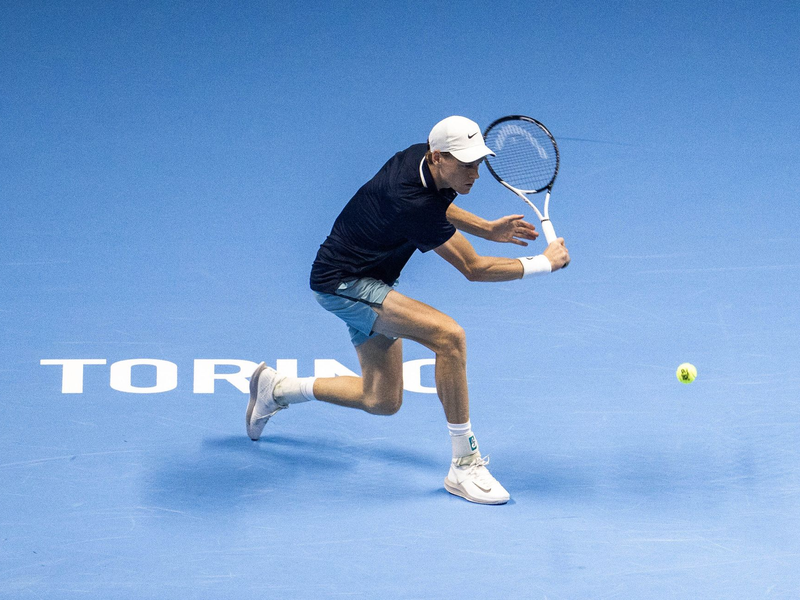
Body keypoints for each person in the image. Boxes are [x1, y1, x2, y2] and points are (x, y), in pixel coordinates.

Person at [246, 116, 570, 505]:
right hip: (343, 284)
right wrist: (544, 263)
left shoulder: (419, 161)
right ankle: (464, 465)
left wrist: (486, 228)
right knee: (449, 337)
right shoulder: (409, 199)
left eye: (479, 162)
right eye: (466, 164)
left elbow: (437, 208)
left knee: (381, 400)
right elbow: (474, 269)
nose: (476, 174)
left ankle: (276, 389)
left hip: (371, 278)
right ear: (438, 157)